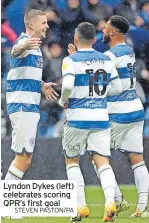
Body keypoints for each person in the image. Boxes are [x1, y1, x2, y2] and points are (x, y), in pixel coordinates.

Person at [59, 22, 122, 222]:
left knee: (72, 161)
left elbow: (68, 84)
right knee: (103, 163)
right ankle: (110, 202)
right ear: (94, 40)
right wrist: (99, 95)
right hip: (101, 118)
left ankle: (80, 207)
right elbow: (117, 88)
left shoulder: (70, 59)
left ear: (76, 39)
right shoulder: (106, 59)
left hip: (77, 117)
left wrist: (62, 100)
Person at [100, 15, 149, 218]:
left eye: (105, 28)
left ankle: (118, 200)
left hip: (118, 112)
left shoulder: (110, 56)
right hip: (135, 109)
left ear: (112, 32)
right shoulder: (128, 51)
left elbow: (106, 87)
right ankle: (142, 207)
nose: (102, 31)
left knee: (98, 157)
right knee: (137, 160)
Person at [5, 10, 58, 181]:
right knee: (22, 159)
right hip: (22, 106)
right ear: (31, 25)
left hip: (30, 106)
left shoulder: (36, 48)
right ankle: (4, 200)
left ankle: (5, 199)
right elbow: (15, 52)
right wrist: (24, 45)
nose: (47, 26)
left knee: (25, 159)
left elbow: (24, 72)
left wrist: (41, 85)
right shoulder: (24, 42)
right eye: (43, 23)